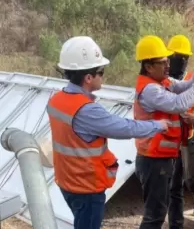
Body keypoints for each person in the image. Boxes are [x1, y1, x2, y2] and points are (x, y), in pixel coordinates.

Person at [46, 36, 169, 229]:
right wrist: (158, 125)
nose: (103, 76)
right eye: (100, 72)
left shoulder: (57, 99)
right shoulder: (86, 110)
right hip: (86, 186)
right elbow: (125, 128)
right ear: (88, 78)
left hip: (67, 181)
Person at [133, 35, 194, 229]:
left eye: (167, 61)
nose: (168, 65)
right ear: (148, 66)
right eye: (162, 62)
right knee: (154, 216)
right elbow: (179, 103)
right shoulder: (150, 90)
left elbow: (184, 86)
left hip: (160, 157)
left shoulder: (162, 82)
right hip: (153, 160)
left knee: (158, 211)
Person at [166, 34, 194, 227]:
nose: (181, 61)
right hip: (172, 138)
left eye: (184, 57)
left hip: (192, 135)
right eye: (177, 56)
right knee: (173, 186)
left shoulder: (193, 79)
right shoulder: (163, 82)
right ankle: (176, 225)